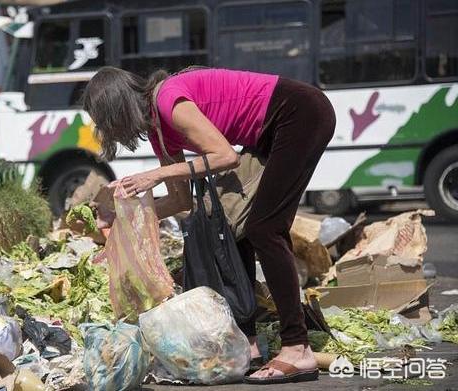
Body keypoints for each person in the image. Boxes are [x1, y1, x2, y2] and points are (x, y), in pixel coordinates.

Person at [82, 66, 335, 384]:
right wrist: (121, 216)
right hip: (270, 131)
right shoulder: (160, 133)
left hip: (299, 113)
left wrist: (155, 175)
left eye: (104, 120)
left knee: (265, 228)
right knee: (228, 228)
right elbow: (180, 202)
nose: (107, 129)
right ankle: (249, 343)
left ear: (116, 109)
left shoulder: (167, 100)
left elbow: (226, 156)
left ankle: (298, 349)